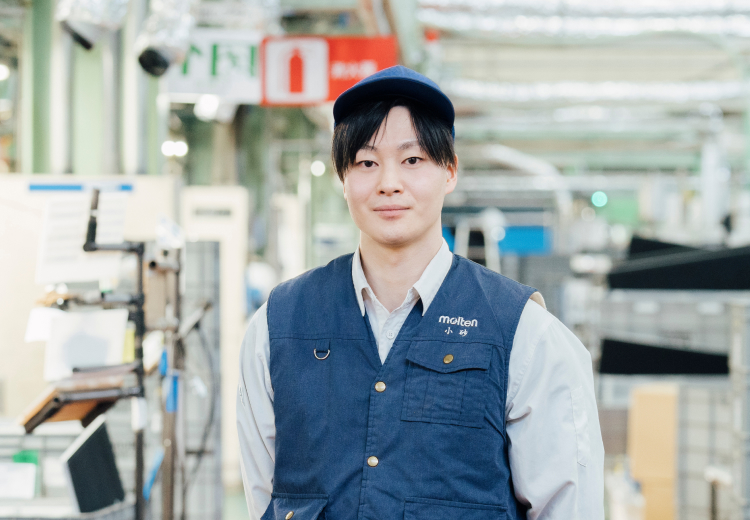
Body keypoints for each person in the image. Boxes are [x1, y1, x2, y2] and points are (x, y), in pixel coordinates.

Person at [237, 65, 604, 520]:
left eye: (412, 160)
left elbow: (567, 506)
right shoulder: (278, 326)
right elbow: (264, 495)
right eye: (366, 163)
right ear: (343, 179)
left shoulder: (525, 334)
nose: (389, 182)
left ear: (449, 171)